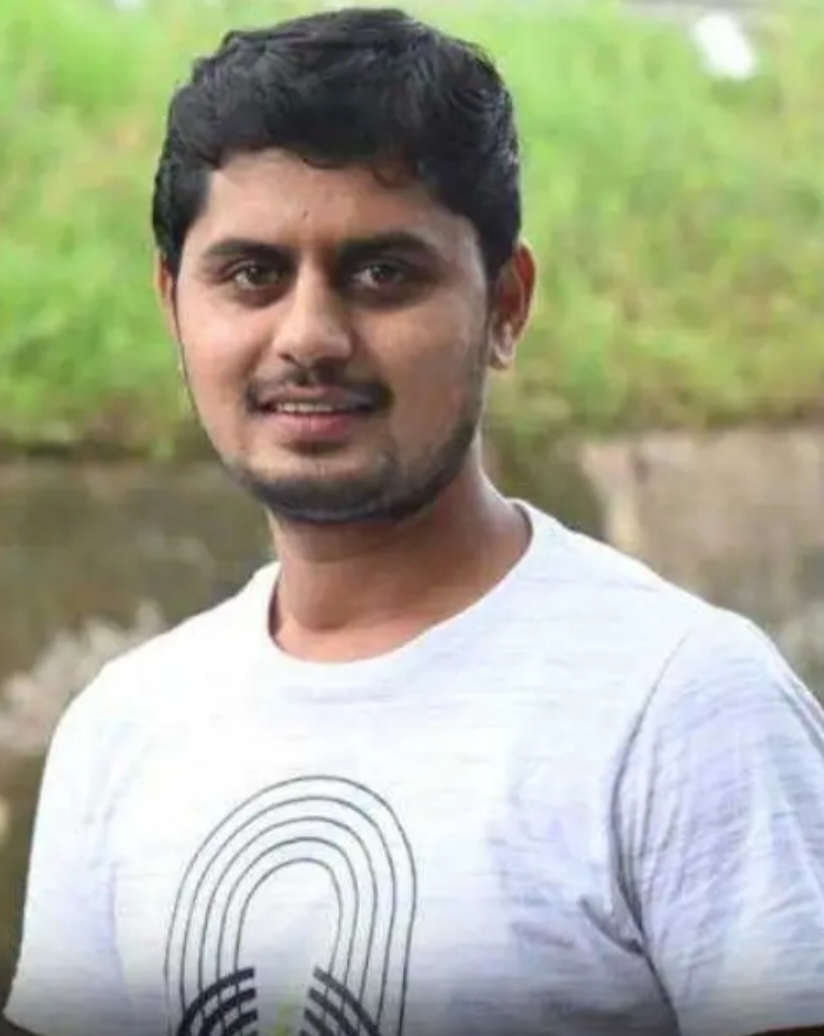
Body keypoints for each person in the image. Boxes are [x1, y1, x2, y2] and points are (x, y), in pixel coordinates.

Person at [5, 7, 824, 1036]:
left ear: (505, 305)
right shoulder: (122, 727)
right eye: (252, 275)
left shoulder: (682, 706)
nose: (309, 336)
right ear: (175, 305)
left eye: (382, 273)